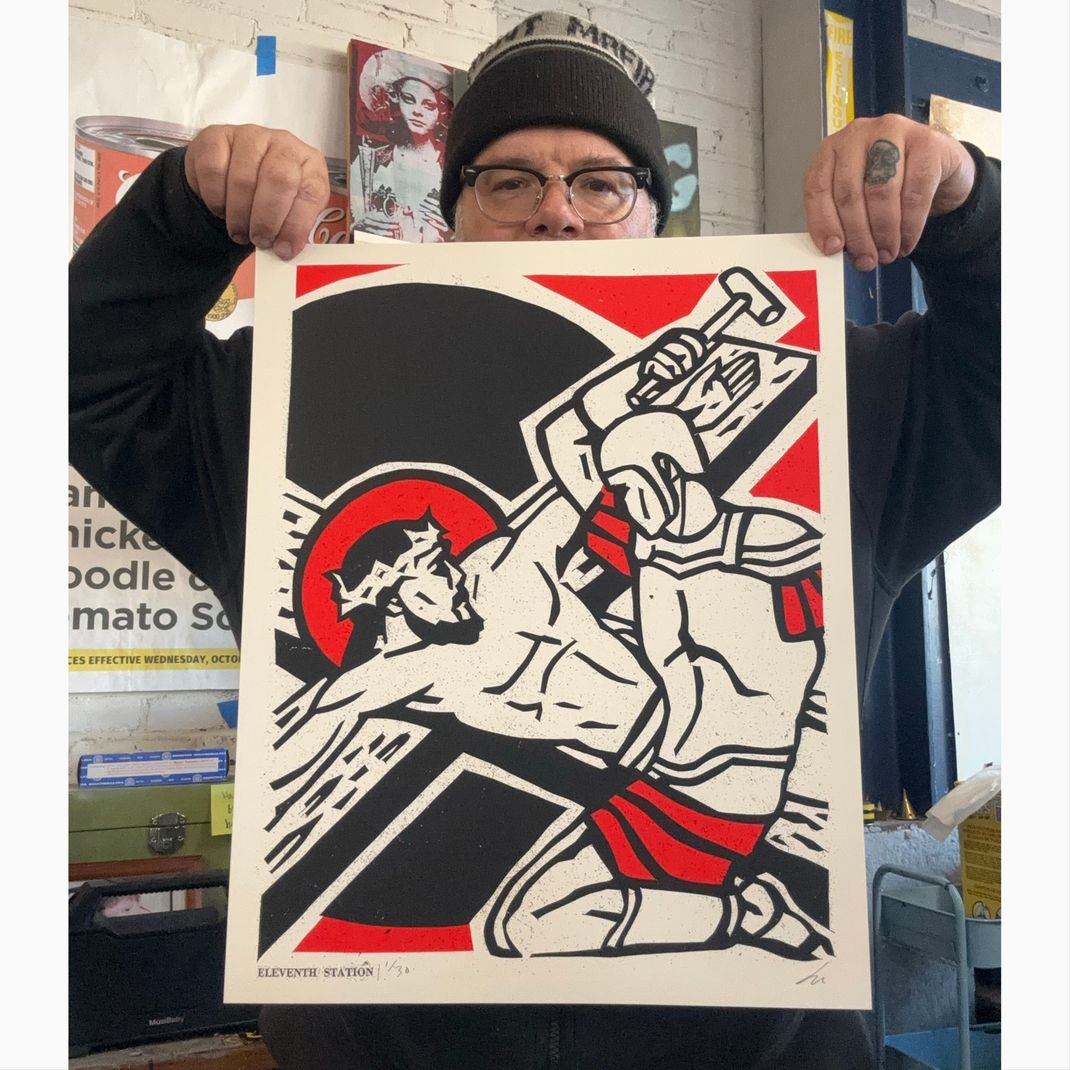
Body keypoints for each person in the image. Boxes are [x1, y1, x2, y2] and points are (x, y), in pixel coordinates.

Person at [68, 9, 1000, 1069]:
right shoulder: (288, 396)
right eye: (508, 181)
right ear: (451, 214)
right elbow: (87, 378)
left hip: (755, 1032)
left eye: (601, 182)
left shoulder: (850, 403)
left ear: (654, 214)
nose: (556, 212)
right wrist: (183, 214)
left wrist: (966, 209)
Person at [350, 47, 453, 241]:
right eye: (409, 100)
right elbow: (353, 224)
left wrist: (453, 232)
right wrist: (361, 227)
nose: (417, 111)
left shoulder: (451, 172)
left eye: (428, 105)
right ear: (396, 99)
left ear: (440, 112)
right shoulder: (369, 163)